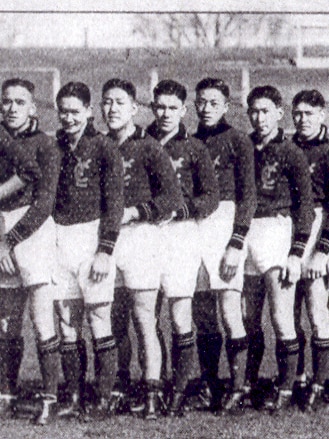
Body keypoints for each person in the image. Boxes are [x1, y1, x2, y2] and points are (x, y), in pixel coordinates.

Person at [101, 78, 183, 419]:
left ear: (134, 108)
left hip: (140, 237)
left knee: (143, 318)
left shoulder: (149, 146)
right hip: (105, 241)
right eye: (107, 102)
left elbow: (172, 199)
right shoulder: (99, 145)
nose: (112, 108)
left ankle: (153, 390)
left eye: (120, 102)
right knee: (112, 318)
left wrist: (134, 212)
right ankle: (119, 387)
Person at [146, 79, 219, 416]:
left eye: (172, 108)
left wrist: (181, 210)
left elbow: (211, 197)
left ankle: (179, 390)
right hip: (145, 234)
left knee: (179, 313)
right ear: (151, 107)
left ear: (183, 111)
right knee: (146, 314)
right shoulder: (140, 143)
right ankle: (153, 386)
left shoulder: (194, 148)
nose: (165, 113)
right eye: (160, 106)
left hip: (180, 234)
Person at [53, 82, 124, 420]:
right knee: (68, 321)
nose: (68, 117)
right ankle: (75, 396)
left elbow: (115, 204)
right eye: (63, 111)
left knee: (98, 318)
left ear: (88, 112)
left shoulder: (104, 146)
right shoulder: (56, 147)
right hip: (60, 239)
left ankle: (104, 398)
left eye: (74, 111)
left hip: (92, 239)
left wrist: (105, 250)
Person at [243, 85, 313, 411]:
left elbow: (305, 208)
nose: (259, 118)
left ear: (278, 113)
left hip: (275, 228)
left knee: (281, 315)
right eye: (254, 111)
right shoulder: (245, 146)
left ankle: (285, 389)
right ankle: (250, 382)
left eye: (265, 111)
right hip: (245, 231)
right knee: (247, 315)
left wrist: (297, 252)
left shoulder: (290, 152)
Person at [192, 77, 257, 412]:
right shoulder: (190, 140)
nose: (205, 109)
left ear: (226, 106)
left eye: (213, 103)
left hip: (226, 225)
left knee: (230, 309)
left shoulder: (238, 141)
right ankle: (210, 382)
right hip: (196, 226)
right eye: (201, 102)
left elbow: (248, 196)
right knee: (202, 312)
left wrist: (236, 242)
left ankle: (239, 384)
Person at [0, 78, 62, 425]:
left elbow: (44, 204)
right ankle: (6, 394)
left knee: (41, 319)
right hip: (2, 231)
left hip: (33, 231)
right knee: (7, 321)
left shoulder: (45, 145)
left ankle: (50, 399)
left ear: (33, 108)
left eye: (19, 102)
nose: (11, 108)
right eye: (6, 102)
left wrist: (11, 239)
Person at [291, 89, 329, 411]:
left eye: (308, 113)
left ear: (323, 115)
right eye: (297, 113)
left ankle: (321, 382)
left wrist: (323, 250)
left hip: (319, 228)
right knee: (288, 313)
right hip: (289, 228)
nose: (302, 119)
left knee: (318, 311)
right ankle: (297, 379)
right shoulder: (289, 147)